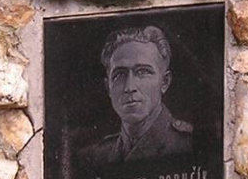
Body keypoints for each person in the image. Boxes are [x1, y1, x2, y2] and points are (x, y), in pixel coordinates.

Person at [81, 25, 193, 166]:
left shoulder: (189, 143)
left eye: (142, 72)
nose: (129, 87)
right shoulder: (95, 156)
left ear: (164, 82)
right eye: (120, 74)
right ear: (108, 87)